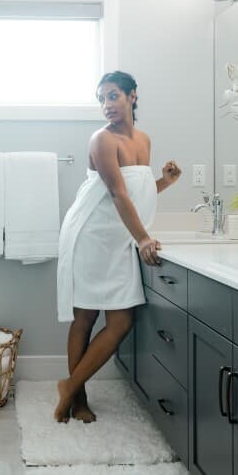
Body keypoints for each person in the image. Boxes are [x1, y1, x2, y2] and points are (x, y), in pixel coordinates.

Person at [54, 71, 182, 423]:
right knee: (86, 317)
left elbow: (136, 194)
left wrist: (165, 182)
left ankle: (69, 385)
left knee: (121, 320)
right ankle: (77, 400)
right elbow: (115, 193)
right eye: (102, 99)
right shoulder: (102, 140)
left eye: (113, 96)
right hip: (92, 237)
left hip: (119, 237)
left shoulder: (143, 140)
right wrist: (143, 238)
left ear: (132, 96)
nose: (106, 105)